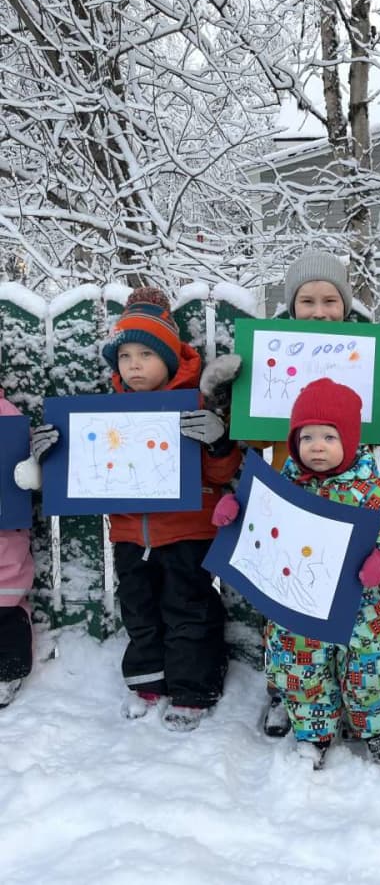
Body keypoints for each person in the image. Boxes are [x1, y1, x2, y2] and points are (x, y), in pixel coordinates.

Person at [200, 249, 380, 737]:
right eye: (307, 301)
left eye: (330, 300)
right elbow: (246, 438)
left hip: (348, 502)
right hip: (284, 504)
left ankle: (360, 701)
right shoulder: (270, 356)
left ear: (345, 305)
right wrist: (224, 399)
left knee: (352, 614)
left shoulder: (365, 354)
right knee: (287, 613)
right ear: (291, 306)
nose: (318, 311)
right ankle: (286, 693)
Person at [28, 287, 242, 731]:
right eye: (125, 357)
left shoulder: (194, 404)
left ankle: (193, 688)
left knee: (189, 610)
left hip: (187, 533)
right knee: (140, 611)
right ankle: (147, 681)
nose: (134, 365)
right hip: (129, 535)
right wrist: (51, 455)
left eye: (146, 354)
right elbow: (84, 474)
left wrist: (218, 442)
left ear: (170, 359)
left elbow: (221, 473)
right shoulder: (106, 412)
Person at [213, 377, 380, 768]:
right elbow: (258, 521)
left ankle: (376, 728)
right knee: (302, 672)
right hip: (300, 607)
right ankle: (314, 734)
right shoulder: (282, 489)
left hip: (366, 613)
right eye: (307, 437)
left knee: (371, 670)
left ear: (350, 440)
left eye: (329, 437)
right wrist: (234, 513)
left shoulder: (372, 492)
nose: (317, 446)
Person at [0, 390, 40, 708]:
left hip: (4, 537)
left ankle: (7, 673)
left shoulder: (5, 413)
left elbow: (22, 453)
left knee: (5, 606)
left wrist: (32, 471)